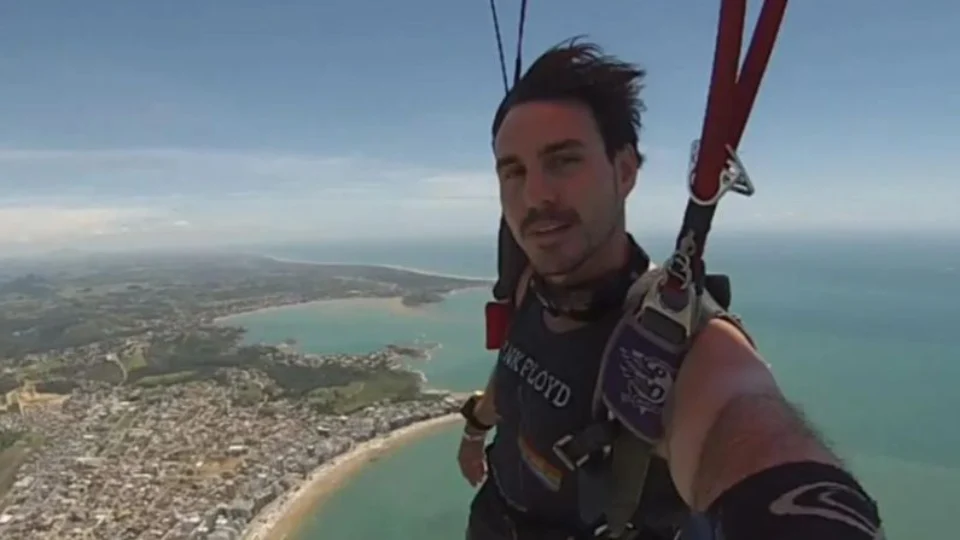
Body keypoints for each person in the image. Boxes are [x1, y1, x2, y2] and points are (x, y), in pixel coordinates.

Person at [457, 39, 885, 540]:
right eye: (514, 171)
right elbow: (517, 363)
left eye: (563, 160)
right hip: (494, 519)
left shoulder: (673, 344)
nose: (535, 195)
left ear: (624, 171)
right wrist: (476, 425)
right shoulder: (532, 282)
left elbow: (743, 426)